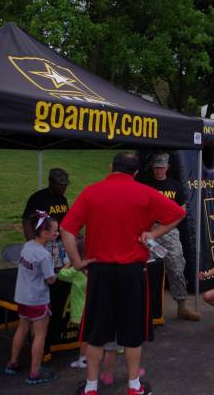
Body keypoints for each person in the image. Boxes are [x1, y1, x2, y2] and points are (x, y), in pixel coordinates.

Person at [61, 153, 186, 395]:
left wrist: (77, 261)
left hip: (100, 271)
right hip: (132, 272)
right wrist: (154, 234)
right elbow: (179, 213)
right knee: (132, 332)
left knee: (96, 332)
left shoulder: (91, 192)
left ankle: (90, 387)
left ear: (111, 168)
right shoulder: (145, 192)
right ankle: (134, 386)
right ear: (136, 172)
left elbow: (67, 228)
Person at [140, 152, 200, 321]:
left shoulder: (175, 186)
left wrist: (170, 223)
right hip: (149, 230)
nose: (158, 171)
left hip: (169, 230)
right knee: (148, 268)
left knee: (176, 265)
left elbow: (182, 210)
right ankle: (147, 309)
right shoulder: (145, 184)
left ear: (168, 167)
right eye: (156, 167)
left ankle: (182, 306)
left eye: (161, 167)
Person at [5, 212, 58, 384]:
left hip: (23, 297)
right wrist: (58, 270)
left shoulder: (27, 245)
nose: (57, 234)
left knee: (22, 328)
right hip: (37, 300)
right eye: (55, 231)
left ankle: (12, 363)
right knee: (40, 335)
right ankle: (35, 373)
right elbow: (50, 279)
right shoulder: (44, 255)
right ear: (44, 233)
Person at [22, 168, 70, 266]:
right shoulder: (38, 198)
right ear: (51, 183)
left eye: (66, 184)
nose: (64, 187)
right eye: (61, 184)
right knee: (46, 274)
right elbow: (26, 221)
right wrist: (33, 245)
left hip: (60, 243)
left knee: (60, 272)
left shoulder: (62, 199)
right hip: (44, 244)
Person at [57, 246, 88, 369]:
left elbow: (60, 275)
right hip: (92, 308)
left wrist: (69, 263)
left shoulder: (75, 271)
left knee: (85, 336)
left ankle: (83, 358)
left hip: (80, 310)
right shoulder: (94, 267)